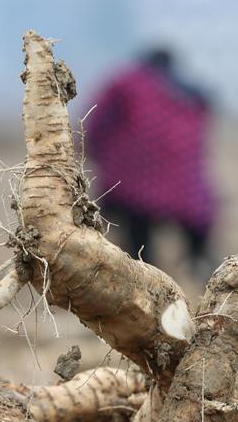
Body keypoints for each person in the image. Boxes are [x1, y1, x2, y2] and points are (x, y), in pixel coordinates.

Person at [86, 48, 215, 276]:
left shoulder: (126, 84)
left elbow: (96, 124)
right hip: (183, 185)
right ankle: (199, 270)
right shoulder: (190, 92)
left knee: (139, 246)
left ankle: (145, 277)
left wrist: (96, 153)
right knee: (195, 234)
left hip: (133, 182)